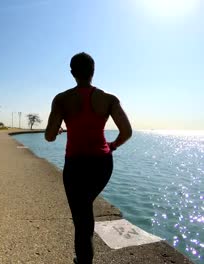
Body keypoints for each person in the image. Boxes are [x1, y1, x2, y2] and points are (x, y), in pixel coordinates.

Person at [44, 52, 132, 264]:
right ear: (93, 71)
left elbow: (48, 137)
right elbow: (126, 132)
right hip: (102, 164)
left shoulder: (62, 99)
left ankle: (84, 261)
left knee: (81, 218)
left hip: (75, 165)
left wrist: (58, 129)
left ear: (72, 72)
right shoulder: (109, 99)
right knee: (85, 210)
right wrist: (112, 146)